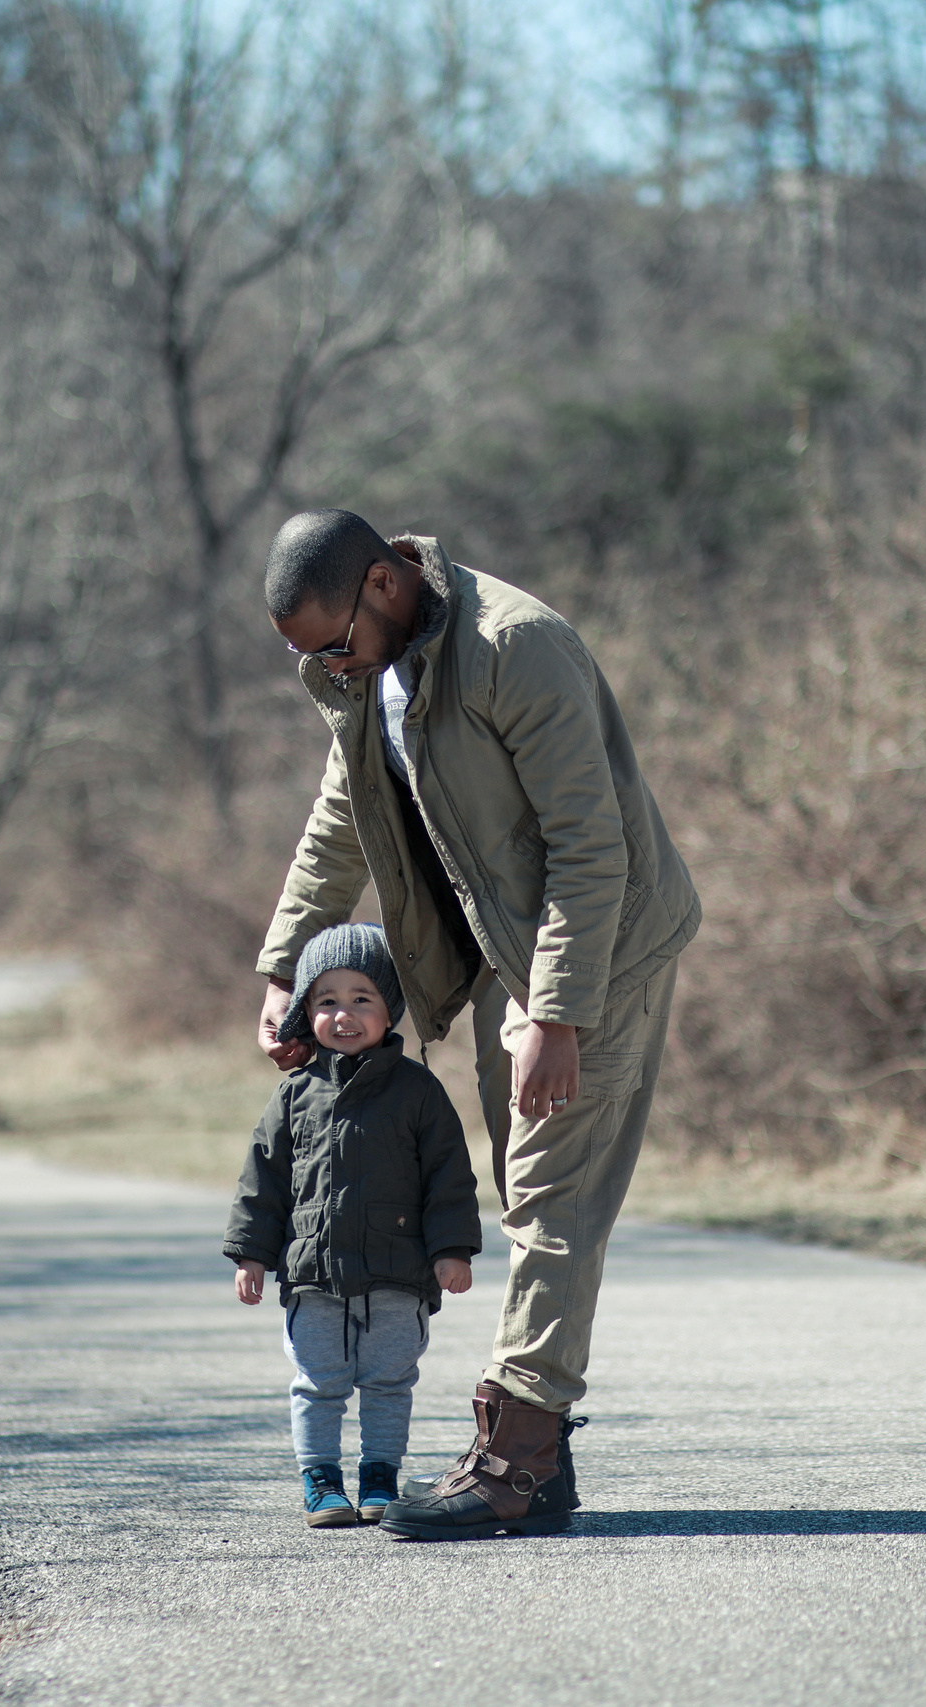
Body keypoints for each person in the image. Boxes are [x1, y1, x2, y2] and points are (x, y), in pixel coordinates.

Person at [253, 509, 700, 1541]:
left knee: (549, 1189)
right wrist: (284, 965)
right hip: (508, 945)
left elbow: (591, 848)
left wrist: (556, 1011)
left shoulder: (514, 649)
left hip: (601, 945)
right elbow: (339, 819)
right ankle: (545, 1470)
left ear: (379, 585)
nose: (323, 665)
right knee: (525, 1187)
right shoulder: (367, 672)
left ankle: (515, 1455)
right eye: (303, 655)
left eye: (329, 642)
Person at [225, 922, 483, 1530]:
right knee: (318, 1382)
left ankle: (379, 1477)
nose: (343, 1015)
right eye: (326, 1001)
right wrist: (251, 1254)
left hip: (399, 1273)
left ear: (389, 1007)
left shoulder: (418, 1092)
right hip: (313, 1275)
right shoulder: (294, 1095)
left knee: (390, 1380)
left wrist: (451, 1250)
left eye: (361, 999)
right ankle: (320, 1481)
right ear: (304, 1012)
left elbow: (449, 1177)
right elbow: (261, 1180)